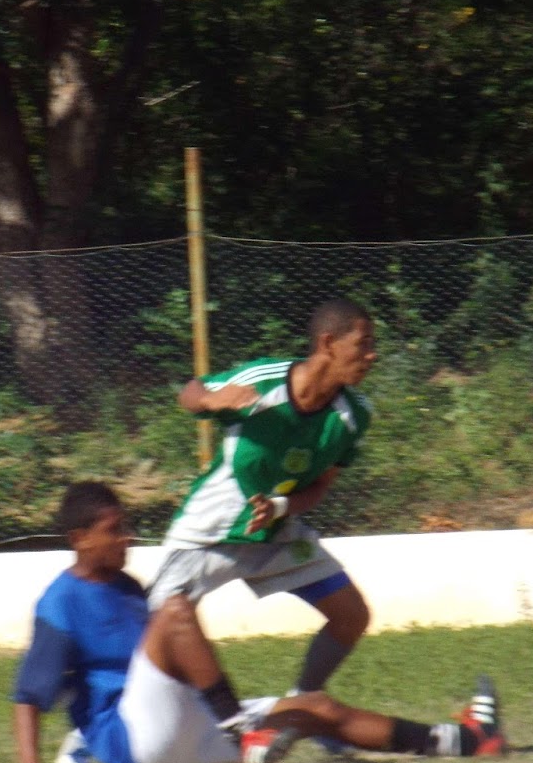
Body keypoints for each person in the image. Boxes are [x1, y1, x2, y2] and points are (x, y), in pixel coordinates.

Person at [12, 481, 504, 763]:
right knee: (176, 610)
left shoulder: (126, 587)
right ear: (79, 539)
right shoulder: (60, 602)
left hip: (185, 729)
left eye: (127, 526)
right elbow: (28, 696)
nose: (127, 538)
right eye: (114, 530)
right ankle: (243, 732)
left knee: (315, 708)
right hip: (134, 738)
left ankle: (460, 741)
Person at [146, 297, 378, 707]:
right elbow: (191, 391)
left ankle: (301, 705)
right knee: (148, 629)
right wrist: (212, 401)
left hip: (276, 531)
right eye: (363, 344)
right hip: (212, 528)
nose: (372, 355)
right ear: (328, 343)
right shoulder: (266, 380)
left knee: (351, 615)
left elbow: (320, 486)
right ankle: (108, 723)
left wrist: (279, 508)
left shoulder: (354, 415)